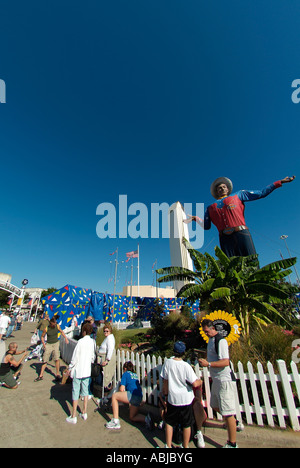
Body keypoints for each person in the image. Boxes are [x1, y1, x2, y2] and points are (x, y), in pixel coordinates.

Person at [187, 176, 295, 257]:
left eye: (224, 187)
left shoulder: (239, 195)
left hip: (241, 233)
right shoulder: (210, 207)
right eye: (219, 188)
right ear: (216, 191)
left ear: (228, 189)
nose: (222, 189)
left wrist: (278, 183)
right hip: (224, 239)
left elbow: (261, 193)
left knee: (250, 261)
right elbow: (206, 226)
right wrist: (195, 218)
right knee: (231, 267)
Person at [199, 319, 238, 448]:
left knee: (227, 411)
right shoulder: (211, 340)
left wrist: (208, 364)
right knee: (214, 405)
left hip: (224, 379)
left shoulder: (220, 341)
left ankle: (232, 443)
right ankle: (232, 421)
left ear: (212, 328)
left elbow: (225, 362)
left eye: (207, 331)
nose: (206, 333)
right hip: (216, 379)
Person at [160, 341, 202, 448]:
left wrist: (165, 394)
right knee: (186, 424)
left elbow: (165, 380)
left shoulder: (168, 363)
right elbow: (194, 383)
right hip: (185, 399)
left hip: (172, 398)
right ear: (183, 352)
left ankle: (168, 445)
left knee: (169, 422)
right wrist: (200, 381)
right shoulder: (186, 366)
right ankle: (185, 445)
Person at [105, 361, 153, 430]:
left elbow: (121, 389)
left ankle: (115, 421)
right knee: (132, 417)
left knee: (115, 396)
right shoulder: (135, 375)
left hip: (132, 395)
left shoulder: (126, 374)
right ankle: (147, 419)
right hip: (139, 396)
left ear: (124, 368)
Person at [65, 322, 96, 424]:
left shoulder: (81, 342)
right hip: (87, 370)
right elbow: (93, 357)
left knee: (76, 391)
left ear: (84, 331)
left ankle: (73, 415)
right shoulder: (92, 342)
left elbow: (75, 357)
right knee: (85, 391)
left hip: (78, 370)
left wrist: (70, 367)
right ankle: (84, 411)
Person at [34, 316, 69, 382]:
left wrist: (66, 338)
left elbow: (61, 332)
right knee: (45, 360)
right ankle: (41, 375)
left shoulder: (57, 326)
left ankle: (57, 374)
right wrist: (44, 344)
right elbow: (42, 336)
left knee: (57, 359)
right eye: (54, 323)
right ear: (51, 323)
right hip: (49, 344)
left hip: (55, 343)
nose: (55, 324)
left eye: (55, 323)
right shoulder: (46, 329)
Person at [97, 322, 116, 389]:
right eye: (104, 331)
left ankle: (105, 395)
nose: (105, 332)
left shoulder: (110, 338)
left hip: (106, 359)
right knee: (103, 376)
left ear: (110, 331)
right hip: (103, 357)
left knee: (106, 376)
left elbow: (110, 349)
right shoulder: (107, 338)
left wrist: (107, 360)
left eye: (107, 331)